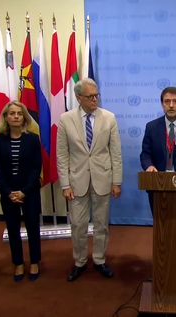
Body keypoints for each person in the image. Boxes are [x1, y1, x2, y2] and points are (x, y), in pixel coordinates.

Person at [57, 78, 123, 282]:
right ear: (78, 98)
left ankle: (100, 259)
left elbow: (115, 152)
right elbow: (62, 154)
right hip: (77, 181)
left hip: (103, 178)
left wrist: (116, 181)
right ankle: (79, 262)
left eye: (96, 96)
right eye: (90, 96)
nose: (95, 99)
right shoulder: (65, 119)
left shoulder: (109, 118)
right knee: (78, 224)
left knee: (102, 224)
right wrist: (65, 184)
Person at [0, 101, 43, 282]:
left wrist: (23, 191)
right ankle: (19, 263)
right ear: (5, 117)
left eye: (19, 113)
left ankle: (35, 261)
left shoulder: (32, 138)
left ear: (24, 117)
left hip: (29, 191)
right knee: (13, 229)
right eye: (12, 113)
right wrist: (9, 191)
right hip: (8, 193)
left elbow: (36, 167)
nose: (15, 116)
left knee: (32, 227)